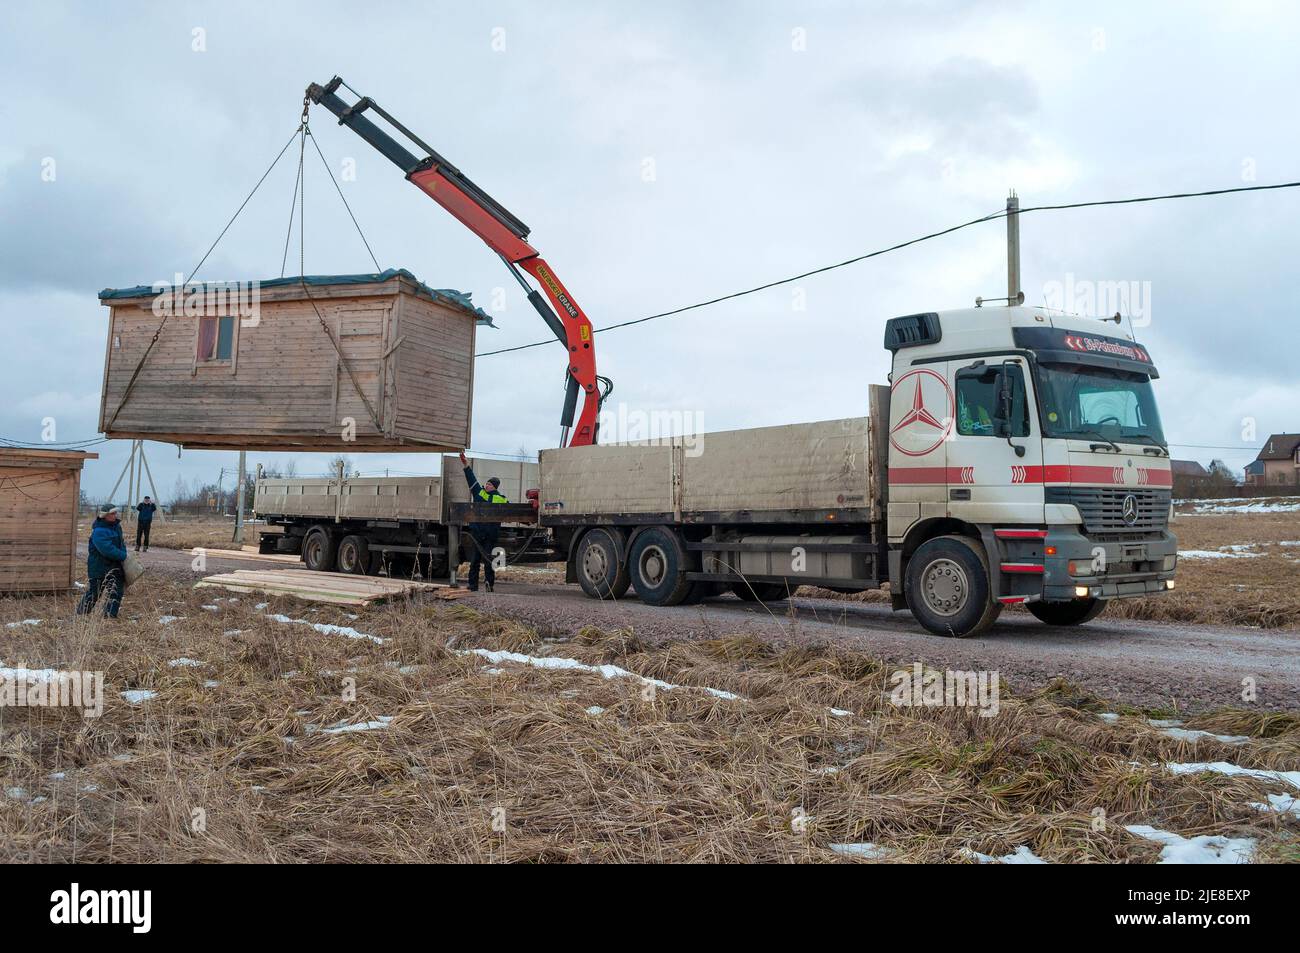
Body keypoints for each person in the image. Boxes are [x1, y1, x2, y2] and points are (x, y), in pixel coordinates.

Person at [458, 451, 508, 592]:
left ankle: (475, 585)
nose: (486, 486)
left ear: (494, 487)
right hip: (487, 534)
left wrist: (466, 466)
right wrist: (466, 466)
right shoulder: (502, 499)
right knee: (486, 560)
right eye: (485, 484)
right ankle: (488, 584)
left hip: (481, 533)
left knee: (477, 561)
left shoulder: (482, 495)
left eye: (488, 485)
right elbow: (472, 481)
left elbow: (472, 481)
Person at [76, 504, 128, 619]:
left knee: (116, 592)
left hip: (114, 566)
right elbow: (107, 550)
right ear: (105, 515)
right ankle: (81, 613)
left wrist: (123, 552)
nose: (115, 515)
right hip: (98, 568)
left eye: (116, 513)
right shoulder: (99, 531)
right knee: (95, 593)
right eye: (113, 513)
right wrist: (124, 556)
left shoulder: (116, 527)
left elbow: (121, 543)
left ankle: (109, 616)